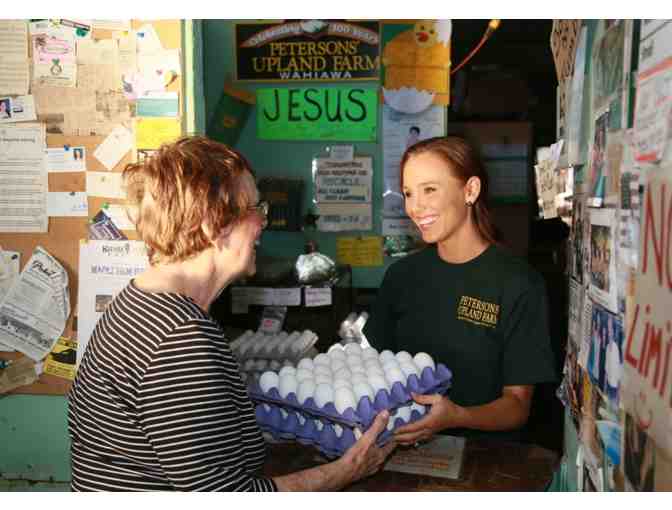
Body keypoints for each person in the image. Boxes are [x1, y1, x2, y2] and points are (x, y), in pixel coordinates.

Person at [68, 136, 395, 491]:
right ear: (212, 225)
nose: (263, 224)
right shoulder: (179, 340)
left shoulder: (142, 302)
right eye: (256, 209)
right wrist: (346, 470)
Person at [363, 136, 557, 444]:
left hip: (484, 462)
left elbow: (518, 406)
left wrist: (457, 416)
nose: (415, 207)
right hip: (401, 451)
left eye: (430, 190)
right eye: (408, 193)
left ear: (470, 190)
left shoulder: (518, 283)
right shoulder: (401, 276)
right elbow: (373, 368)